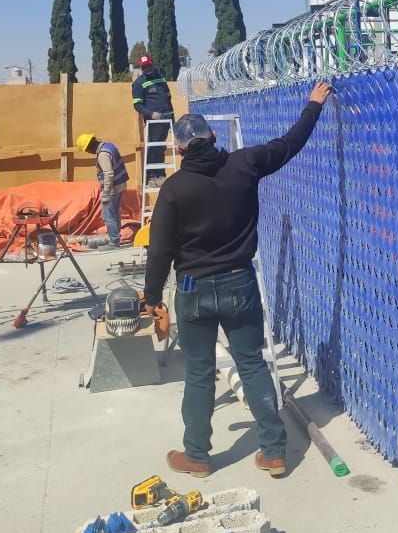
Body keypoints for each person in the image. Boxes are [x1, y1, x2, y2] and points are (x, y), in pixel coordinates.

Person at [142, 81, 333, 479]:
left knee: (198, 372)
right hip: (238, 283)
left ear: (178, 149)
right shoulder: (244, 164)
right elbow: (290, 143)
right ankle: (275, 451)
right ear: (213, 136)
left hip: (193, 291)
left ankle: (197, 456)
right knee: (253, 364)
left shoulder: (174, 190)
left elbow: (159, 250)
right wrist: (313, 106)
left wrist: (152, 296)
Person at [75, 132, 129, 247]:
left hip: (112, 188)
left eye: (87, 150)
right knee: (115, 213)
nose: (89, 153)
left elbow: (108, 174)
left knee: (108, 216)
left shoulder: (102, 155)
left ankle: (114, 241)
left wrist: (106, 193)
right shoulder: (109, 146)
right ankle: (116, 238)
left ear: (90, 146)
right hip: (120, 185)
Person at [132, 54, 174, 186]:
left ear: (153, 63)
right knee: (153, 147)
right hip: (153, 121)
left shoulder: (161, 78)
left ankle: (160, 175)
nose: (147, 69)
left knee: (160, 147)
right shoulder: (139, 83)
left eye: (149, 65)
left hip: (166, 118)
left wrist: (172, 119)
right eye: (144, 67)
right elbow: (137, 105)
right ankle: (151, 177)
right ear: (141, 68)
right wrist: (151, 114)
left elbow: (168, 99)